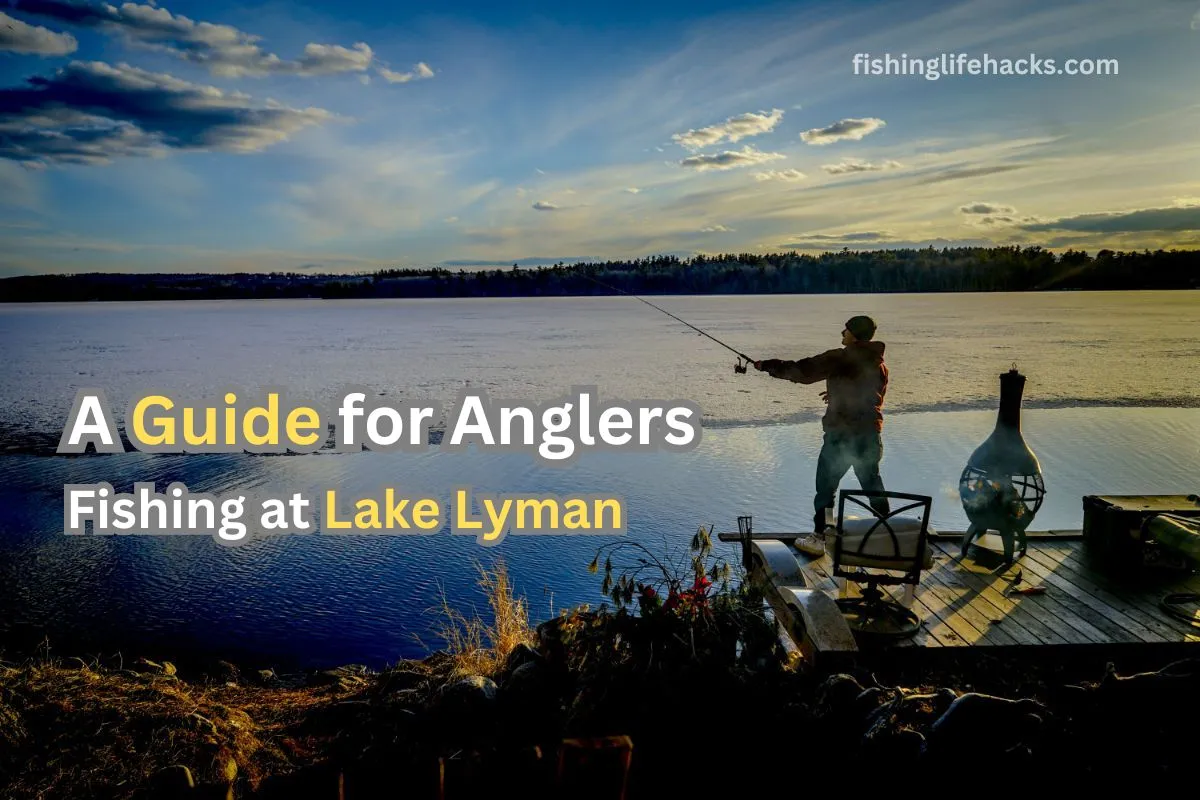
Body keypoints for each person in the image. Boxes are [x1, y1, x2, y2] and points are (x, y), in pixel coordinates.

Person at [754, 315, 889, 556]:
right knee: (872, 485)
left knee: (826, 489)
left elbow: (802, 371)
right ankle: (888, 532)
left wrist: (766, 365)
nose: (842, 333)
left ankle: (820, 536)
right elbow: (871, 395)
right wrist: (837, 394)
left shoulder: (840, 358)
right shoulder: (879, 364)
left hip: (841, 438)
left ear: (854, 335)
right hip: (869, 435)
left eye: (846, 330)